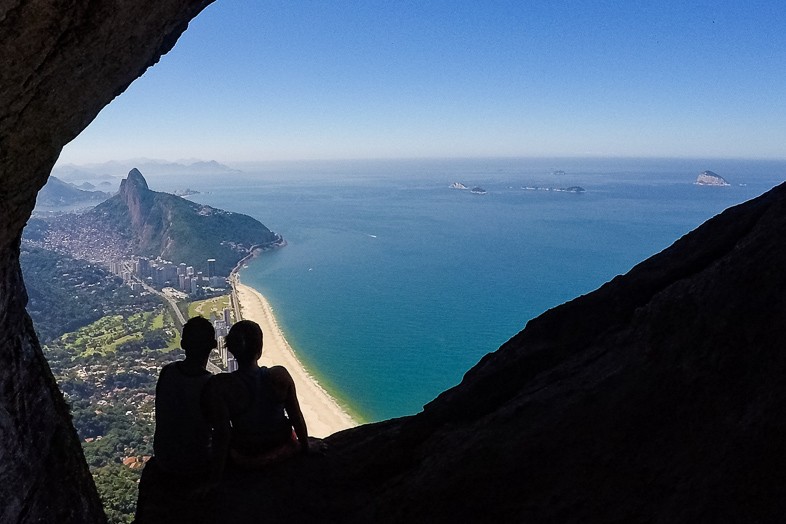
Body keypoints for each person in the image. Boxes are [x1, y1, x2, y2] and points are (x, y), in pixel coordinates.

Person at [202, 319, 309, 483]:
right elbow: (296, 416)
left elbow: (222, 433)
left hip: (245, 456)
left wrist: (214, 478)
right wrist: (307, 447)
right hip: (282, 448)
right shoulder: (279, 375)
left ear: (231, 349)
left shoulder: (222, 385)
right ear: (259, 350)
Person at [136, 316, 217, 523]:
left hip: (164, 460)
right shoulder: (210, 384)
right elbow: (222, 432)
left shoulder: (168, 372)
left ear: (182, 344)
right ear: (214, 346)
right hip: (195, 466)